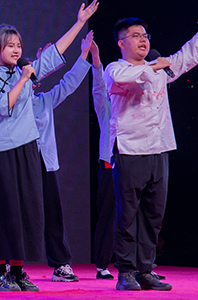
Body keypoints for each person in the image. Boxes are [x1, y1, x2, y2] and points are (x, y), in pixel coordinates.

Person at [0, 0, 97, 292]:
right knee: (3, 210)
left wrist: (80, 22)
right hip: (1, 149)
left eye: (19, 45)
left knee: (27, 210)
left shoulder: (26, 71)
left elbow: (56, 52)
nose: (16, 50)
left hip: (28, 148)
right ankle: (1, 274)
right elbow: (2, 107)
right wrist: (23, 79)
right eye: (10, 45)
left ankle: (19, 272)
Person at [104, 0, 198, 291]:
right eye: (136, 36)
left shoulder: (157, 68)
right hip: (130, 149)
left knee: (153, 214)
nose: (143, 40)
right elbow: (129, 77)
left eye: (145, 35)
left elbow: (185, 57)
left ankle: (146, 269)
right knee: (127, 213)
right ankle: (126, 271)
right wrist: (156, 66)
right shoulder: (116, 69)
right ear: (121, 42)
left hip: (159, 148)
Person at [31, 33, 97, 283]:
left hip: (44, 163)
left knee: (53, 214)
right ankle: (9, 266)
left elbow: (68, 84)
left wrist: (83, 55)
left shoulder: (44, 101)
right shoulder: (11, 102)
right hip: (19, 162)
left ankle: (61, 264)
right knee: (17, 213)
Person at [88, 38, 116, 280]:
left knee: (138, 215)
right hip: (110, 164)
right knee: (109, 215)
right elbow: (98, 89)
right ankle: (103, 264)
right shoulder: (107, 106)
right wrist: (96, 60)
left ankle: (141, 264)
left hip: (135, 162)